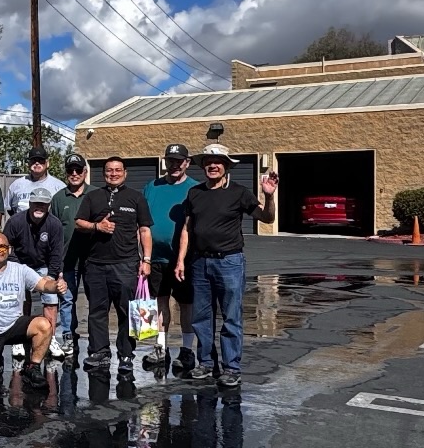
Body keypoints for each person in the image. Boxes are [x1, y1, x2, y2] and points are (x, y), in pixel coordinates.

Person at [175, 144, 278, 388]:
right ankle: (207, 363)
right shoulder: (194, 193)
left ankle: (231, 367)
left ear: (226, 166)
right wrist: (181, 259)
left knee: (231, 317)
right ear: (203, 166)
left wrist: (269, 196)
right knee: (201, 316)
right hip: (199, 261)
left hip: (229, 261)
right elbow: (187, 229)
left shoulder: (239, 192)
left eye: (218, 161)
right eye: (209, 161)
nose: (213, 165)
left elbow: (267, 218)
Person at [0, 233, 66, 391]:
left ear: (9, 250)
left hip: (13, 325)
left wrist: (56, 286)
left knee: (43, 325)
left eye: (2, 247)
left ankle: (32, 368)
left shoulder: (20, 270)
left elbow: (43, 285)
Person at [75, 157, 153, 372]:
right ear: (104, 173)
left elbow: (145, 230)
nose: (113, 174)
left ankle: (126, 355)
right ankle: (99, 352)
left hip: (126, 264)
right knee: (97, 311)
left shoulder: (136, 198)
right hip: (96, 265)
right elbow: (79, 222)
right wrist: (96, 226)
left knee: (128, 312)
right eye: (109, 170)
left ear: (125, 173)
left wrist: (146, 260)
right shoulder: (92, 197)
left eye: (118, 170)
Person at [142, 144, 199, 371]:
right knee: (159, 302)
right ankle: (160, 347)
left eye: (179, 161)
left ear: (187, 162)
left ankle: (186, 350)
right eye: (170, 160)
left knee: (186, 304)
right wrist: (142, 257)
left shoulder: (195, 189)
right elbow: (142, 222)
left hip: (184, 260)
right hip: (155, 258)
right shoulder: (152, 187)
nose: (174, 165)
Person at [2, 187, 68, 361]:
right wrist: (16, 269)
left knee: (51, 300)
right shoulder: (15, 222)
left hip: (44, 266)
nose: (39, 207)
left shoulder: (54, 224)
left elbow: (57, 253)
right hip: (19, 264)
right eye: (36, 203)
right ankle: (19, 338)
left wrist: (51, 275)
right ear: (30, 204)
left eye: (43, 204)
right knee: (22, 300)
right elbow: (6, 247)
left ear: (48, 205)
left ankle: (50, 337)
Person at [50, 153, 91, 356]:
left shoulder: (95, 194)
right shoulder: (58, 198)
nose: (74, 174)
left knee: (96, 301)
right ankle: (68, 336)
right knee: (67, 300)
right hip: (67, 260)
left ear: (85, 171)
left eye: (78, 170)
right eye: (70, 171)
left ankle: (96, 343)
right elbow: (54, 233)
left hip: (93, 259)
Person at [4, 147, 66, 215]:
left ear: (47, 163)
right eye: (33, 160)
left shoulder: (59, 187)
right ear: (28, 164)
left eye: (41, 160)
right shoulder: (16, 185)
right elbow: (9, 209)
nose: (37, 163)